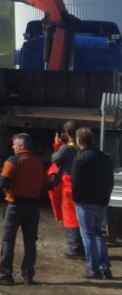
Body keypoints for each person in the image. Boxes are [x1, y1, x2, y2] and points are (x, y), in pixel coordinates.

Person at [0, 132, 49, 287]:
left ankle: (5, 275)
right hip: (33, 207)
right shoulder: (38, 163)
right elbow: (45, 184)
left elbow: (3, 181)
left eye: (15, 144)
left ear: (22, 146)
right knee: (30, 242)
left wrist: (9, 190)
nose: (12, 146)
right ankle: (28, 276)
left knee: (8, 241)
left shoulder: (13, 161)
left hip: (15, 206)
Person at [71, 127, 114, 280]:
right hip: (101, 200)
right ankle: (105, 268)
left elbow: (75, 181)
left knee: (87, 234)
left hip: (85, 201)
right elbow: (110, 179)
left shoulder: (80, 158)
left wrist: (76, 198)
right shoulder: (104, 158)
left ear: (78, 140)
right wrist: (106, 196)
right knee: (97, 234)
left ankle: (93, 269)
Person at [50, 120, 84, 258]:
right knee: (79, 214)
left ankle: (74, 248)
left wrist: (57, 145)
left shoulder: (67, 148)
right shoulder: (81, 146)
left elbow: (54, 159)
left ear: (65, 133)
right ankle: (80, 245)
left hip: (68, 184)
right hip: (79, 183)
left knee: (69, 215)